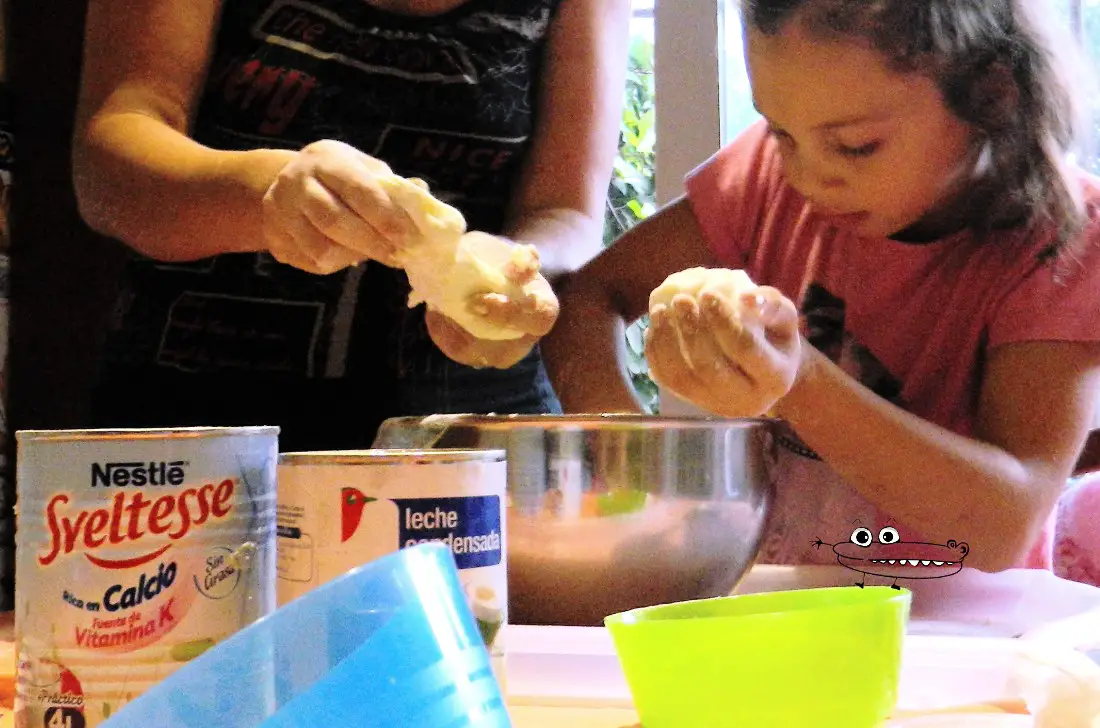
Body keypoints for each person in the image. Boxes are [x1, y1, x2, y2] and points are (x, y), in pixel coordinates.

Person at [542, 0, 1100, 574]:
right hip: (775, 602)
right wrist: (639, 458)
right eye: (780, 131)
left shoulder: (1061, 241)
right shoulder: (766, 178)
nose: (807, 175)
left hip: (961, 629)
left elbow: (1004, 525)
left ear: (992, 94)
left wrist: (799, 381)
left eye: (856, 144)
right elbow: (586, 299)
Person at [71, 0, 630, 451]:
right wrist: (268, 191)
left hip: (471, 442)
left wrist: (515, 274)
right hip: (197, 437)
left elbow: (566, 213)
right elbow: (110, 168)